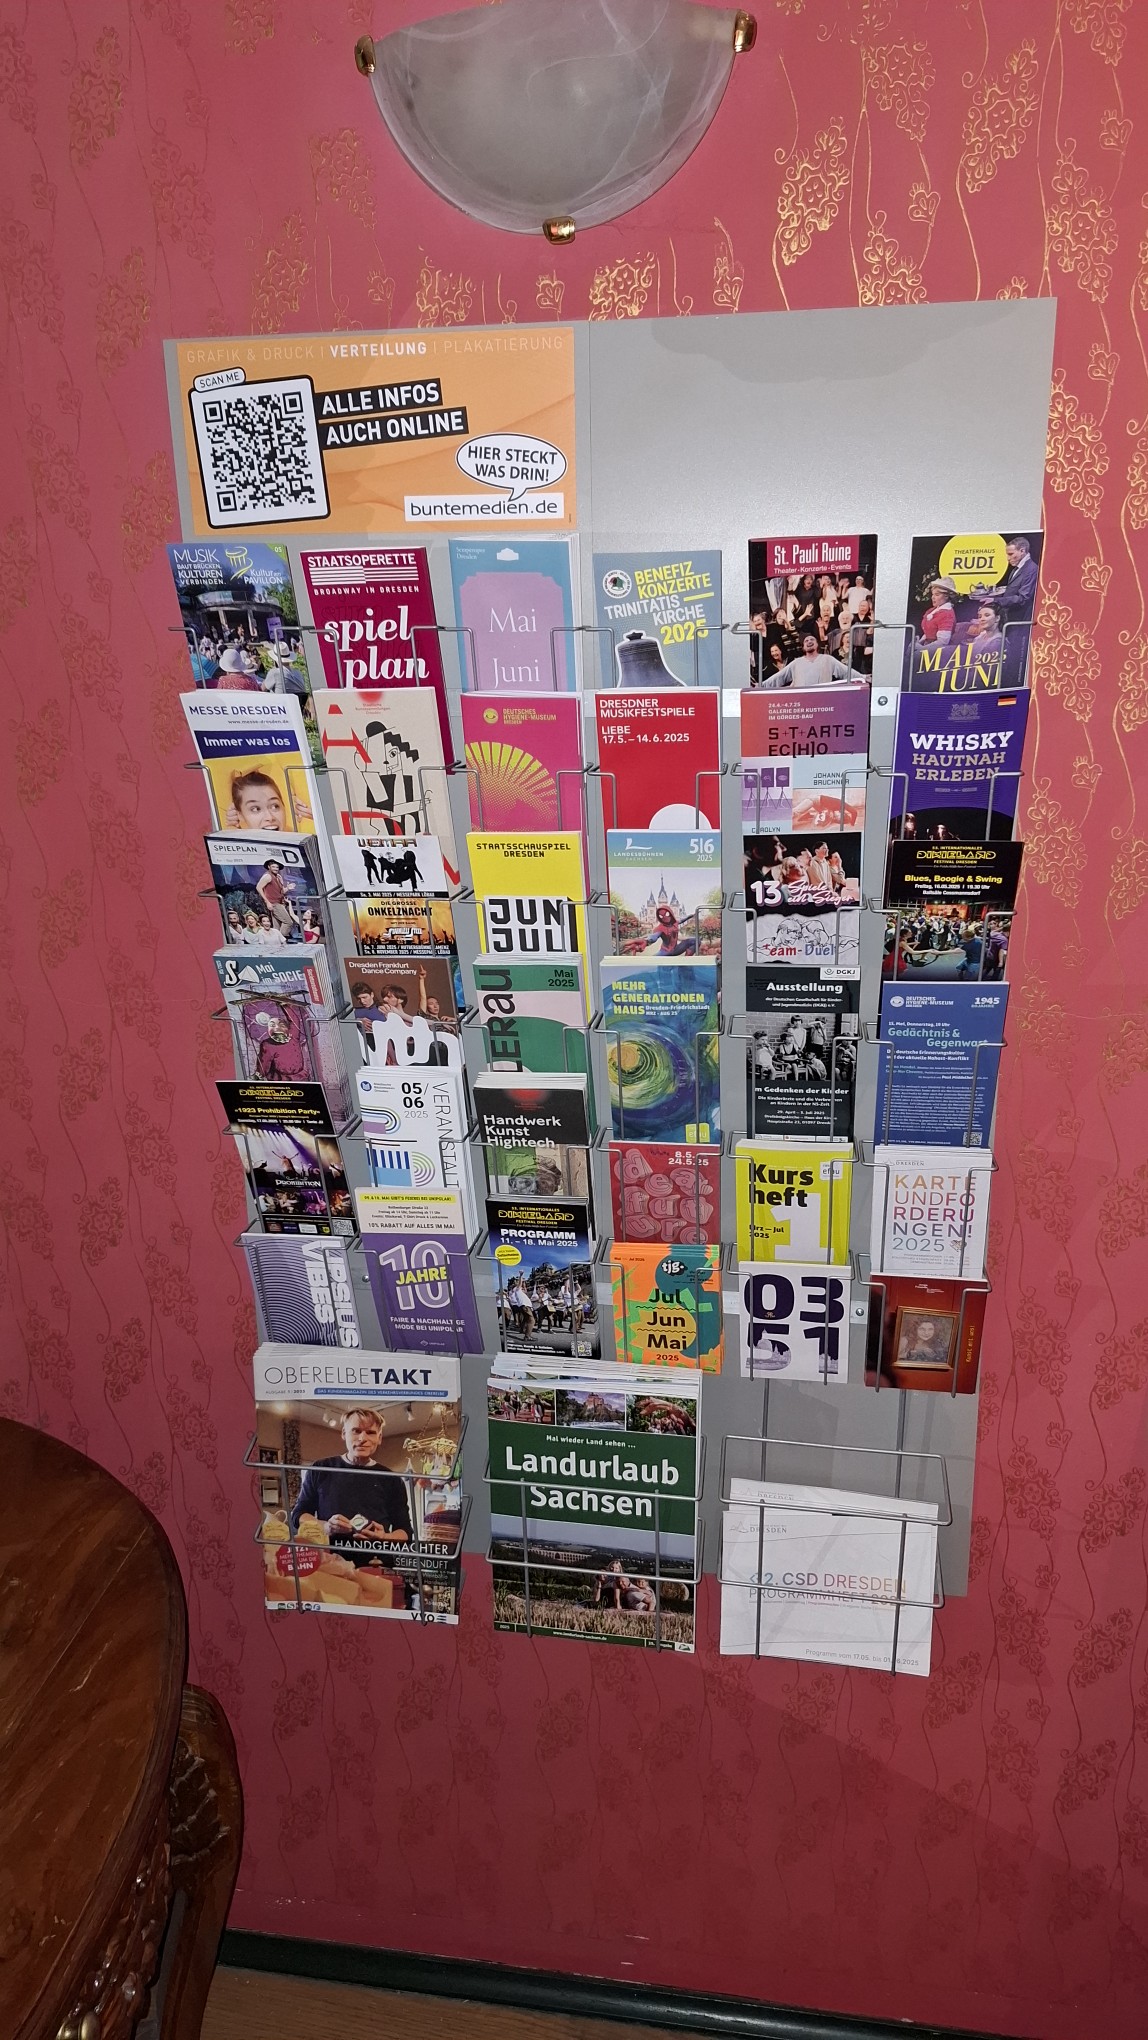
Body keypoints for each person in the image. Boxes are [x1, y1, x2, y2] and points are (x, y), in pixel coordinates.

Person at [289, 1407, 412, 1564]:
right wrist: (326, 1526)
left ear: (379, 1438)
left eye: (370, 1433)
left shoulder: (392, 1480)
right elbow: (298, 1515)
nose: (362, 1438)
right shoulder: (320, 1469)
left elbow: (405, 1532)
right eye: (356, 1431)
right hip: (329, 1564)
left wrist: (384, 1537)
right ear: (344, 1434)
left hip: (376, 1565)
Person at [769, 634, 854, 689]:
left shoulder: (828, 659)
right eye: (806, 641)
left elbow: (847, 672)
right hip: (802, 702)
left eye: (812, 640)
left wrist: (861, 679)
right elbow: (778, 678)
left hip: (823, 702)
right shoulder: (796, 662)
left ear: (817, 645)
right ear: (803, 647)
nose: (809, 641)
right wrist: (762, 686)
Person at [254, 1012, 310, 1081]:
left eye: (282, 1025)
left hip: (300, 1078)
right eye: (272, 1025)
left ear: (288, 1029)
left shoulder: (293, 1037)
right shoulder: (267, 1044)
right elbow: (264, 1063)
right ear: (268, 1029)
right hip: (280, 1080)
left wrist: (285, 1006)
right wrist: (259, 1075)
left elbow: (294, 1020)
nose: (277, 1028)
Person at [255, 859, 298, 940]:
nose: (275, 869)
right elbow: (258, 887)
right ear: (269, 867)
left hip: (280, 903)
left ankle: (275, 941)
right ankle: (279, 939)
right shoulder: (268, 876)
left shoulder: (278, 877)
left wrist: (288, 888)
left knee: (277, 926)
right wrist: (267, 902)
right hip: (274, 903)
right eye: (273, 867)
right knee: (288, 922)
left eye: (277, 867)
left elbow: (281, 891)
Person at [916, 577, 957, 648]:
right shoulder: (933, 610)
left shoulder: (946, 614)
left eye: (937, 595)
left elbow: (942, 642)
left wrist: (922, 649)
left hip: (938, 650)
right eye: (933, 594)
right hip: (928, 646)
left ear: (946, 596)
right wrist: (919, 643)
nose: (933, 597)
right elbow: (928, 633)